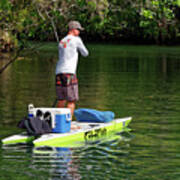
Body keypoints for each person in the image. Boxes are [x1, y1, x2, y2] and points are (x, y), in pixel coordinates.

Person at [55, 20, 89, 119]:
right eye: (78, 30)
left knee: (61, 99)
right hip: (69, 72)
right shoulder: (76, 40)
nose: (79, 32)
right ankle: (68, 123)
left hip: (58, 72)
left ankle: (57, 122)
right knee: (71, 100)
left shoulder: (62, 41)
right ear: (73, 30)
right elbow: (85, 53)